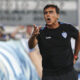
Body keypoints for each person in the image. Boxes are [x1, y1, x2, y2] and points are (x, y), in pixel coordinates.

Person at [28, 4, 80, 80]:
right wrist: (33, 36)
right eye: (45, 13)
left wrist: (75, 56)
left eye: (51, 12)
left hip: (68, 73)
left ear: (57, 15)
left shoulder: (67, 28)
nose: (47, 15)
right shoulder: (41, 32)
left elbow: (78, 36)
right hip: (49, 75)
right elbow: (31, 46)